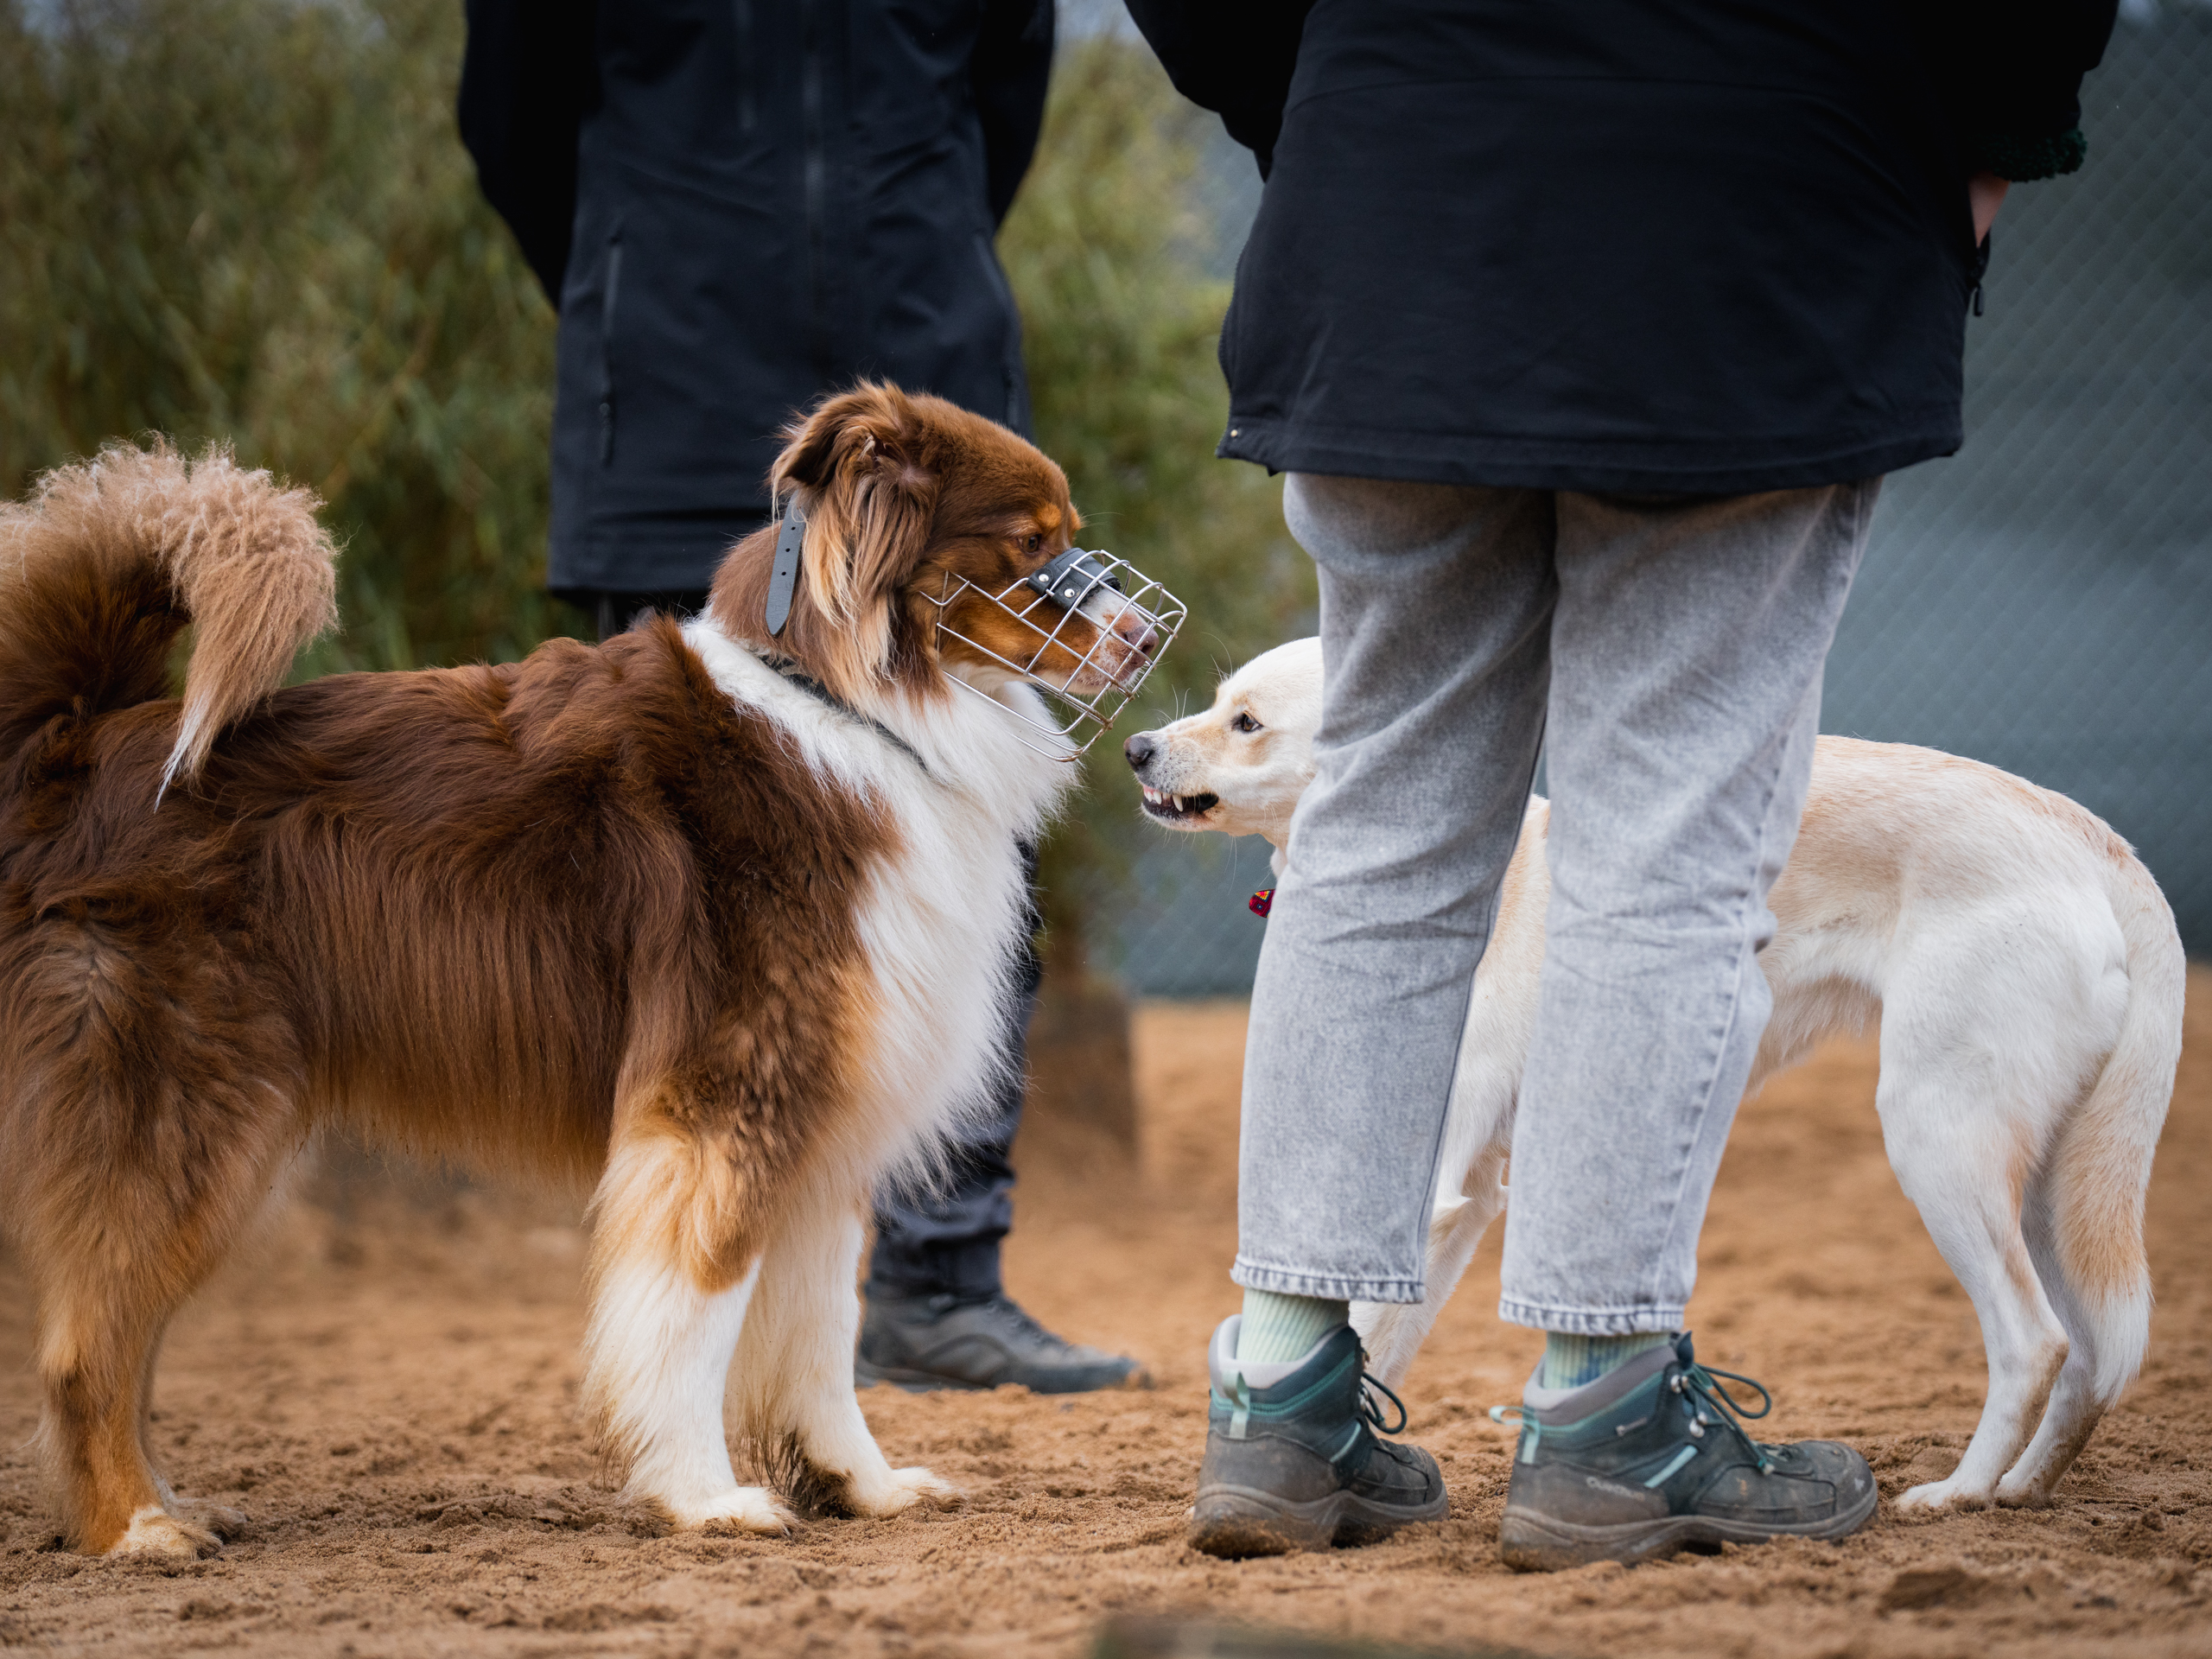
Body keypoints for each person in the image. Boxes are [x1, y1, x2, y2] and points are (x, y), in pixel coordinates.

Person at [1124, 0, 2116, 1564]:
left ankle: (1276, 1406)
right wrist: (1994, 143)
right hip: (1757, 205)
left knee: (1374, 829)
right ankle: (1606, 1420)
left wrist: (1331, 97)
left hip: (1398, 199)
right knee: (1662, 849)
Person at [457, 0, 1140, 1395]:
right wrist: (634, 265)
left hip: (924, 414)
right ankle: (683, 1275)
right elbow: (512, 120)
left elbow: (1000, 96)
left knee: (957, 863)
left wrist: (920, 233)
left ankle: (942, 1276)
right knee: (658, 902)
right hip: (665, 395)